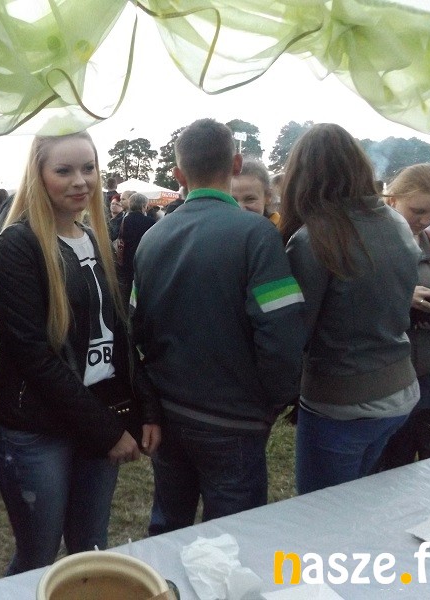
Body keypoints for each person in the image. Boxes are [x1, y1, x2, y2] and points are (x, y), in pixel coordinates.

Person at [0, 130, 162, 574]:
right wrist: (106, 432)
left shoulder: (94, 238)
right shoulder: (19, 246)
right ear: (39, 175)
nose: (80, 180)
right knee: (38, 557)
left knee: (91, 549)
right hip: (38, 428)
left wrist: (145, 409)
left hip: (96, 418)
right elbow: (33, 356)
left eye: (88, 167)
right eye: (64, 170)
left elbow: (119, 337)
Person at [132, 118, 305, 535]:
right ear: (236, 164)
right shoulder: (258, 234)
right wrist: (275, 399)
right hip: (235, 421)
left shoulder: (152, 238)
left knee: (168, 528)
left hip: (170, 412)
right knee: (232, 542)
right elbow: (282, 332)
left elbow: (136, 331)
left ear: (178, 175)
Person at [280, 123, 420, 494]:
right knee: (356, 500)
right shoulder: (395, 221)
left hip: (343, 401)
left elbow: (293, 333)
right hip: (400, 388)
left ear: (301, 175)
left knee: (322, 512)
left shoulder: (314, 239)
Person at [376, 164, 430, 469]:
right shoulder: (370, 243)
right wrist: (402, 297)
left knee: (410, 460)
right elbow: (347, 306)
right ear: (393, 199)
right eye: (417, 211)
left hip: (426, 367)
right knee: (379, 462)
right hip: (383, 371)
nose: (425, 220)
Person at [115, 192, 155, 309]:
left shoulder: (123, 220)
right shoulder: (150, 222)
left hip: (126, 261)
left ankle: (125, 312)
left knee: (126, 292)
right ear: (143, 206)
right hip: (144, 261)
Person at [232, 157, 280, 226]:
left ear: (268, 197)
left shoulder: (282, 229)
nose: (240, 208)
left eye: (250, 199)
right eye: (233, 200)